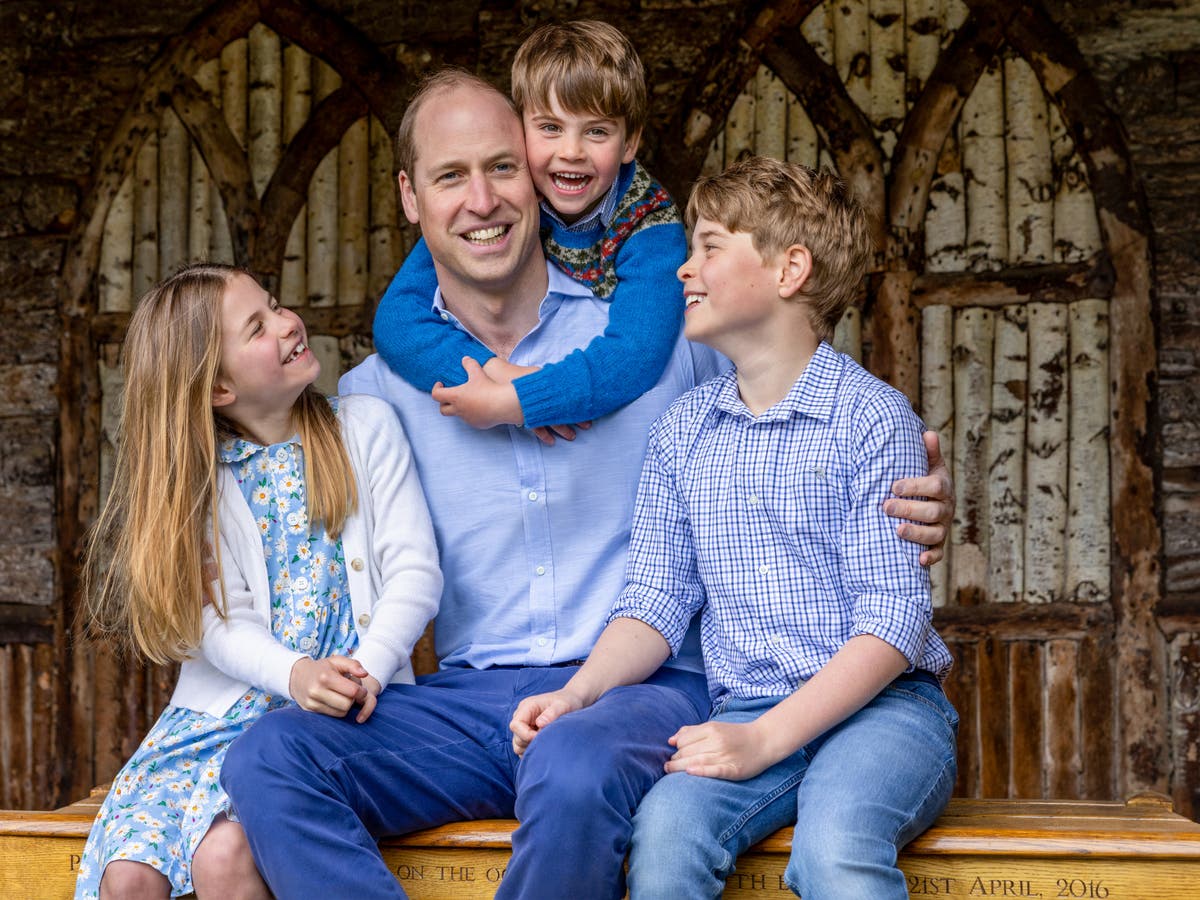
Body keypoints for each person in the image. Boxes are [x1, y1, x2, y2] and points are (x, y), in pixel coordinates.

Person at [220, 73, 955, 900]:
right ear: (410, 197)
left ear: (537, 179)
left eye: (502, 167)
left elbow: (796, 407)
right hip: (471, 702)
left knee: (573, 764)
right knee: (269, 757)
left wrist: (919, 487)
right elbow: (257, 483)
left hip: (645, 692)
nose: (482, 200)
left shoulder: (660, 341)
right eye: (450, 176)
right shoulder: (374, 396)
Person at [510, 157, 959, 900]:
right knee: (665, 837)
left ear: (790, 270)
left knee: (835, 847)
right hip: (746, 707)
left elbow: (894, 619)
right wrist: (577, 693)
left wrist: (764, 740)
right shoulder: (683, 431)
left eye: (710, 247)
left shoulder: (871, 419)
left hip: (885, 713)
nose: (684, 268)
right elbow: (654, 601)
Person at [73, 263, 442, 900]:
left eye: (275, 305)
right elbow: (219, 624)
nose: (287, 322)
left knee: (224, 857)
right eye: (257, 327)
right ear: (219, 386)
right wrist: (294, 673)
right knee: (128, 875)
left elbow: (415, 572)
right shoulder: (200, 484)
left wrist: (369, 670)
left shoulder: (365, 428)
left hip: (345, 711)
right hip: (215, 722)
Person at [372, 21, 684, 436]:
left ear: (629, 144)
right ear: (520, 130)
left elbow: (637, 354)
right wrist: (495, 373)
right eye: (550, 128)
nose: (570, 152)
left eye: (596, 131)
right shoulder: (515, 198)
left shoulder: (650, 224)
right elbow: (396, 321)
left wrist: (522, 400)